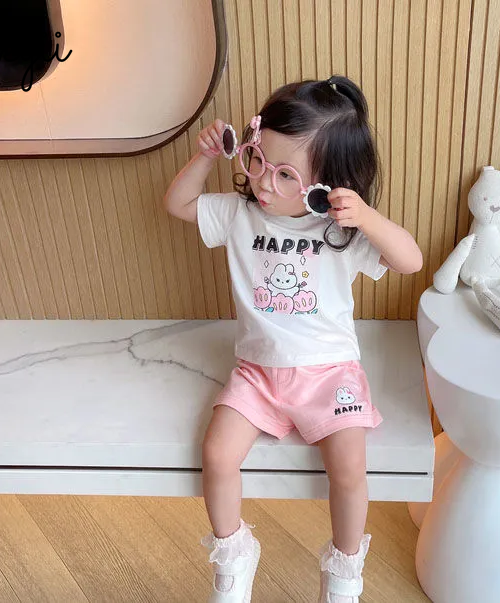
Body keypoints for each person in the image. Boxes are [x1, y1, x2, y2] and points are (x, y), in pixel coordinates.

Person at [164, 75, 423, 603]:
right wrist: (205, 157)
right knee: (216, 454)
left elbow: (410, 260)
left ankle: (344, 573)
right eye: (258, 159)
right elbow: (178, 204)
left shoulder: (340, 233)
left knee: (348, 468)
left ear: (326, 188)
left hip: (331, 374)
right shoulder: (239, 214)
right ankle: (233, 555)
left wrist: (366, 216)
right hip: (257, 373)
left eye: (286, 175)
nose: (264, 181)